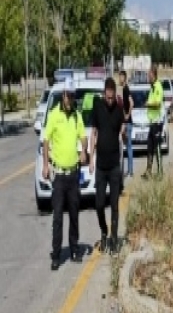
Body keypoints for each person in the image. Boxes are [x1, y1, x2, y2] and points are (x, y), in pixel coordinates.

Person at [42, 88, 86, 270]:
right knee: (58, 217)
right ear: (63, 96)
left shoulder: (77, 115)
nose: (70, 99)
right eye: (68, 96)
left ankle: (75, 249)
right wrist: (46, 164)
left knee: (74, 214)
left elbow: (83, 135)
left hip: (73, 173)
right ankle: (57, 254)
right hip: (59, 176)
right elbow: (46, 140)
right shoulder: (54, 115)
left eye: (73, 96)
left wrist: (84, 150)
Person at [88, 77, 127, 254]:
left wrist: (124, 134)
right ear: (104, 93)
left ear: (114, 94)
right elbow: (93, 133)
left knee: (115, 205)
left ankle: (113, 239)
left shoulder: (119, 111)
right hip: (101, 166)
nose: (110, 100)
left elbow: (122, 133)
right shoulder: (97, 108)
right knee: (99, 204)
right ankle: (104, 231)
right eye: (108, 97)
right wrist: (90, 159)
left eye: (112, 97)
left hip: (114, 166)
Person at [143, 66, 165, 179]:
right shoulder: (152, 87)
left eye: (149, 75)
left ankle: (160, 171)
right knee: (149, 146)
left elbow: (157, 104)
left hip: (157, 122)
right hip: (152, 122)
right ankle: (148, 171)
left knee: (157, 147)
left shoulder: (158, 87)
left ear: (154, 75)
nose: (148, 77)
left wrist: (148, 104)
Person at [118, 71, 134, 177]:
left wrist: (127, 115)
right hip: (126, 122)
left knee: (127, 146)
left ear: (124, 78)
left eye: (121, 77)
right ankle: (128, 171)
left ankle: (130, 171)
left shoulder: (126, 89)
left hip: (127, 123)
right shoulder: (124, 89)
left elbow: (131, 103)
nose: (119, 79)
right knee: (126, 146)